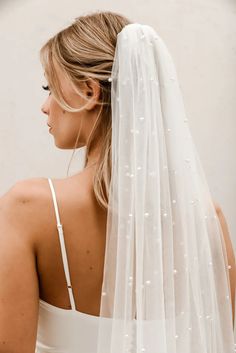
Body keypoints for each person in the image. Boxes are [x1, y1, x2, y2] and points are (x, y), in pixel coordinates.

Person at [0, 11, 235, 353]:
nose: (45, 106)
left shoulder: (28, 208)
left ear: (90, 91)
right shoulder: (206, 220)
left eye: (50, 88)